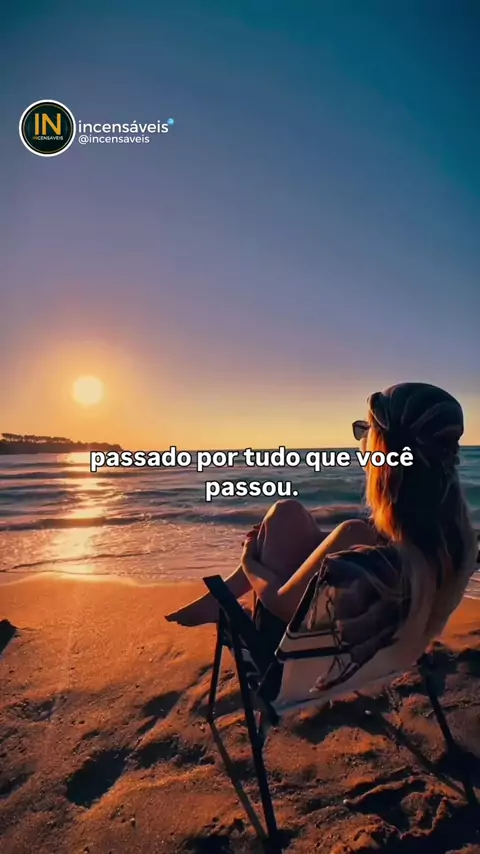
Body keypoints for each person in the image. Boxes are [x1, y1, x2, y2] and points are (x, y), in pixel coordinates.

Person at [166, 383, 477, 650]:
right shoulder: (457, 543)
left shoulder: (365, 549)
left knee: (312, 524)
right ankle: (219, 598)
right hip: (390, 651)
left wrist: (249, 560)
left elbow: (280, 603)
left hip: (289, 654)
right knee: (288, 514)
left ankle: (224, 602)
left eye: (366, 432)